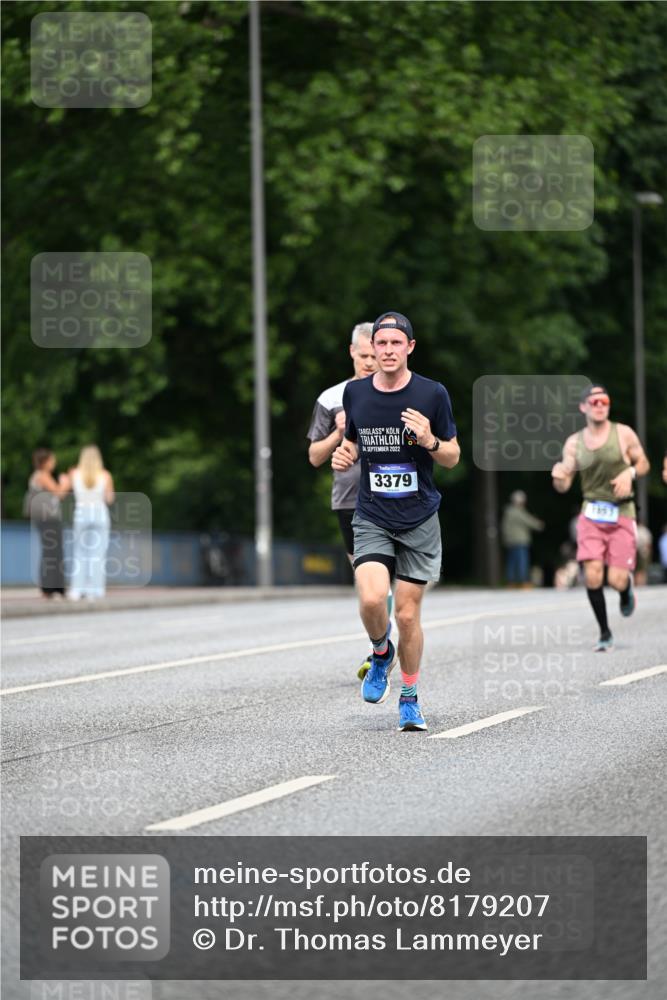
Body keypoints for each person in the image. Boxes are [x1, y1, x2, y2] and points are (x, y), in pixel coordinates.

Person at [332, 311, 459, 731]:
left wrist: (430, 440)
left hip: (419, 518)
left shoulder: (432, 394)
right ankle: (380, 652)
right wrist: (343, 453)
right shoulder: (356, 394)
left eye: (395, 344)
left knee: (407, 616)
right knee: (371, 600)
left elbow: (453, 455)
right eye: (380, 344)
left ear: (410, 348)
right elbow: (352, 442)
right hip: (372, 514)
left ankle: (409, 698)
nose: (387, 351)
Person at [307, 321, 388, 678]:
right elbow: (314, 456)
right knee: (367, 582)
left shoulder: (394, 391)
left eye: (376, 355)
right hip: (348, 500)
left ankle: (381, 647)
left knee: (384, 579)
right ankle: (379, 647)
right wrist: (340, 432)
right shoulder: (331, 399)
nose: (370, 362)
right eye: (364, 355)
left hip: (390, 495)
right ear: (352, 352)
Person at [551, 384, 650, 651]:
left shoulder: (623, 434)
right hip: (591, 513)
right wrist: (559, 477)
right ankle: (605, 632)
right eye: (594, 402)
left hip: (622, 512)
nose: (599, 405)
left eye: (604, 401)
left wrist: (629, 474)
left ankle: (626, 588)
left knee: (616, 579)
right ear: (584, 407)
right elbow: (565, 479)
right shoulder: (575, 442)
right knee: (593, 576)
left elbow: (643, 463)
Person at [68, 445, 115, 601]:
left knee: (80, 553)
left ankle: (76, 590)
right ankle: (95, 590)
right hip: (100, 513)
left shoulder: (74, 473)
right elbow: (109, 499)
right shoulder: (105, 475)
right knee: (98, 554)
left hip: (81, 512)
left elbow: (65, 490)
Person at [24, 448, 69, 597]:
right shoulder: (42, 475)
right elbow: (59, 493)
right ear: (45, 462)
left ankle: (51, 587)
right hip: (48, 519)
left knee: (51, 551)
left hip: (45, 519)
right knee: (53, 552)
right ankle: (52, 587)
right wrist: (66, 482)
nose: (54, 463)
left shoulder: (39, 475)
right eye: (52, 460)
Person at [500, 490, 544, 587]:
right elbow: (528, 521)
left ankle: (511, 582)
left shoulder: (508, 511)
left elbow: (504, 527)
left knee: (511, 562)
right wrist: (539, 525)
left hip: (510, 541)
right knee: (522, 561)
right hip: (520, 540)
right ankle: (523, 581)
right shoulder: (518, 511)